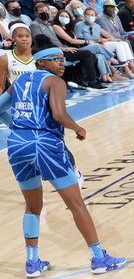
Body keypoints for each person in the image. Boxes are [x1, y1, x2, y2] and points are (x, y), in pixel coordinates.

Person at [4, 45, 126, 277]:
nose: (61, 64)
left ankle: (32, 263)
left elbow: (0, 109)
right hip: (45, 145)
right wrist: (78, 128)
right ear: (41, 62)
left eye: (62, 60)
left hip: (17, 144)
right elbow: (59, 115)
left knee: (32, 207)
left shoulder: (18, 83)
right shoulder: (54, 82)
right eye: (55, 59)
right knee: (76, 204)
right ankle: (100, 258)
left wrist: (17, 126)